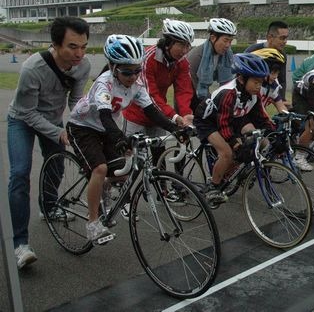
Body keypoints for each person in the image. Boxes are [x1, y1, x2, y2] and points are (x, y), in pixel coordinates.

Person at [67, 34, 181, 244]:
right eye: (127, 71)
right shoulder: (104, 84)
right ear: (112, 67)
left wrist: (175, 129)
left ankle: (104, 189)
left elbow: (152, 112)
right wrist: (120, 139)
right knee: (100, 169)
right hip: (83, 127)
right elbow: (104, 116)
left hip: (106, 128)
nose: (133, 76)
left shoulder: (137, 84)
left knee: (124, 170)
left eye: (137, 70)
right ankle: (92, 224)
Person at [7, 16, 91, 269]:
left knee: (56, 166)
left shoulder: (83, 66)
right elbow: (28, 112)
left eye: (84, 46)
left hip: (53, 120)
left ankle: (49, 206)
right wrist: (57, 132)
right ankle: (20, 244)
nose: (80, 53)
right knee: (20, 173)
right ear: (55, 44)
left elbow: (76, 101)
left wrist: (80, 125)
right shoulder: (33, 68)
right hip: (22, 119)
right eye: (72, 47)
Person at [193, 53, 275, 204]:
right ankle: (213, 187)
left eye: (261, 82)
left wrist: (274, 132)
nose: (259, 86)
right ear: (242, 79)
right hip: (209, 121)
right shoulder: (229, 93)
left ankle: (235, 171)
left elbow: (260, 117)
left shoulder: (254, 94)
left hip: (234, 117)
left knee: (260, 141)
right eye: (255, 82)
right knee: (227, 153)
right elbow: (223, 124)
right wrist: (236, 144)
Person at [122, 19, 195, 186]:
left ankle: (161, 189)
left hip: (158, 114)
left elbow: (184, 90)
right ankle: (122, 194)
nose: (185, 50)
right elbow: (150, 95)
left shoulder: (182, 61)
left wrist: (186, 114)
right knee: (129, 158)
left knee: (158, 152)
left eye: (188, 46)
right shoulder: (149, 58)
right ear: (168, 42)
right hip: (136, 113)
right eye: (181, 45)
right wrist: (174, 116)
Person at [187, 18, 236, 109]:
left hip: (212, 102)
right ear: (213, 38)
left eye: (230, 41)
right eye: (225, 40)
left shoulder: (227, 56)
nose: (228, 45)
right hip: (192, 102)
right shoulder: (196, 57)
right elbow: (193, 88)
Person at [245, 21, 289, 103]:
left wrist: (282, 98)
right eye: (282, 38)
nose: (285, 41)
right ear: (270, 37)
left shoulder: (282, 55)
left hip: (265, 94)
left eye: (286, 38)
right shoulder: (252, 51)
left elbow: (282, 80)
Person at [251, 48, 289, 113]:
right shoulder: (253, 87)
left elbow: (280, 105)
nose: (275, 77)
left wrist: (287, 115)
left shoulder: (272, 85)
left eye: (277, 73)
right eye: (273, 73)